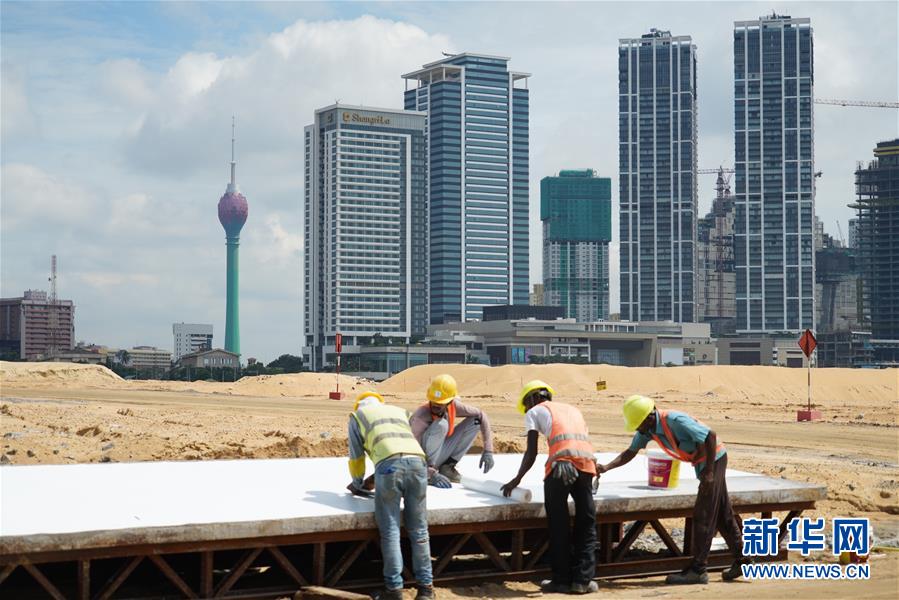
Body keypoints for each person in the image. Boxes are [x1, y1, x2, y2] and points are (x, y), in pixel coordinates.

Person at [597, 395, 746, 584]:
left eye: (639, 425)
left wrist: (709, 472)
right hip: (704, 465)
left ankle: (698, 570)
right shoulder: (648, 430)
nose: (638, 430)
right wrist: (606, 467)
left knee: (704, 515)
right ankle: (743, 560)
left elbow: (711, 435)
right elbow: (631, 452)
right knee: (723, 514)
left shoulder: (675, 420)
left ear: (649, 417)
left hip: (714, 460)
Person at [501, 380, 599, 595]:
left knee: (559, 524)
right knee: (587, 523)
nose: (527, 409)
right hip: (586, 465)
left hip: (560, 468)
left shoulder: (535, 411)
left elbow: (532, 452)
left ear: (533, 398)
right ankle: (582, 581)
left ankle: (561, 581)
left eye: (526, 405)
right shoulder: (573, 409)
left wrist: (516, 479)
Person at [347, 391, 435, 600]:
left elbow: (356, 457)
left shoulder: (357, 417)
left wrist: (358, 483)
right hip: (417, 464)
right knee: (420, 531)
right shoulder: (399, 411)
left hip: (388, 468)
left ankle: (394, 590)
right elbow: (404, 446)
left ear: (359, 405)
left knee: (391, 531)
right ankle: (426, 590)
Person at [409, 374, 495, 488]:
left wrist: (488, 450)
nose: (436, 405)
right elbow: (410, 452)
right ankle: (431, 469)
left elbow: (481, 415)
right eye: (434, 401)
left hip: (439, 453)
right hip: (422, 462)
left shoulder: (453, 406)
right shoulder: (420, 417)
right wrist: (428, 473)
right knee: (441, 425)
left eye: (440, 403)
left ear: (450, 402)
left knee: (476, 420)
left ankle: (448, 467)